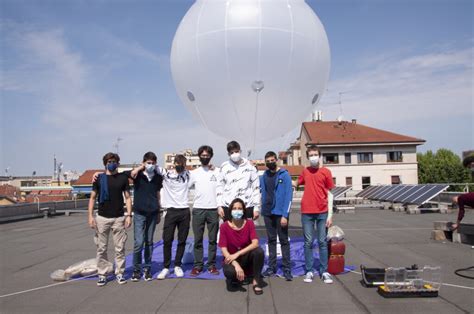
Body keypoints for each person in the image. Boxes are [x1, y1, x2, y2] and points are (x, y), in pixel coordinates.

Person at [87, 152, 132, 286]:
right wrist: (90, 216)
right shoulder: (99, 179)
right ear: (105, 163)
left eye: (114, 161)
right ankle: (102, 273)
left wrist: (128, 215)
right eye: (109, 161)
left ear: (118, 163)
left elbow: (128, 197)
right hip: (102, 218)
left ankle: (120, 273)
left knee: (120, 248)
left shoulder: (123, 178)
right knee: (101, 248)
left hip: (118, 218)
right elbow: (92, 198)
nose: (111, 163)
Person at [294, 145, 335, 284]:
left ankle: (324, 271)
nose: (313, 157)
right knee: (308, 242)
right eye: (310, 155)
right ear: (307, 157)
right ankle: (309, 270)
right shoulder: (305, 172)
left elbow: (330, 194)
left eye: (315, 154)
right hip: (307, 212)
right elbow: (296, 183)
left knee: (322, 242)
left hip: (322, 212)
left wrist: (330, 215)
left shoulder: (326, 172)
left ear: (320, 156)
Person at [127, 152, 163, 282]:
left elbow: (158, 194)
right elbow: (127, 175)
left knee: (149, 241)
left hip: (153, 213)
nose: (151, 165)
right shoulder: (138, 176)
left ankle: (147, 268)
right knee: (138, 242)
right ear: (143, 162)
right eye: (148, 162)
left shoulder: (158, 177)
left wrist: (159, 211)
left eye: (153, 163)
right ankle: (136, 269)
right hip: (139, 213)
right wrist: (138, 168)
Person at [219, 198, 265, 295]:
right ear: (230, 211)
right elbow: (223, 249)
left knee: (259, 252)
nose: (237, 211)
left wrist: (237, 254)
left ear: (243, 211)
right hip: (231, 259)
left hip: (245, 257)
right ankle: (235, 278)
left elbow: (255, 243)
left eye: (239, 208)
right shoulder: (224, 227)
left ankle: (256, 281)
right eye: (234, 208)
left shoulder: (249, 223)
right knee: (229, 272)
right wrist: (236, 265)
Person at [156, 154, 191, 280]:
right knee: (167, 240)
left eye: (183, 164)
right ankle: (166, 267)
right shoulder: (166, 174)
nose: (180, 166)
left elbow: (204, 173)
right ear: (174, 163)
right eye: (178, 163)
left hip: (184, 211)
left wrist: (212, 167)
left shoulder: (188, 175)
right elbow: (151, 165)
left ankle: (177, 265)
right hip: (170, 212)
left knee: (182, 240)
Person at [260, 151, 293, 281]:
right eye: (267, 161)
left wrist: (285, 214)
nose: (270, 163)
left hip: (280, 214)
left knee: (284, 241)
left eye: (272, 160)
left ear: (276, 160)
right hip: (268, 213)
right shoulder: (264, 175)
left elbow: (288, 196)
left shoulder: (285, 175)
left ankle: (286, 269)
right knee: (271, 240)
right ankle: (271, 267)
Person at [188, 145, 220, 276]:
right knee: (198, 239)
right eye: (203, 155)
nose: (205, 157)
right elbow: (184, 186)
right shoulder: (194, 173)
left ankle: (211, 265)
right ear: (199, 157)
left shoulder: (217, 171)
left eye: (207, 156)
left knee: (212, 239)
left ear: (211, 157)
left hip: (213, 209)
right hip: (198, 209)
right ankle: (198, 265)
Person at [217, 141, 260, 221]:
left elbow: (256, 187)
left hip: (247, 206)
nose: (234, 154)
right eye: (232, 152)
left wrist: (256, 208)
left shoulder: (250, 166)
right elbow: (219, 187)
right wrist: (219, 206)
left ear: (240, 151)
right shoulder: (224, 167)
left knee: (246, 232)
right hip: (228, 207)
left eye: (236, 151)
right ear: (228, 154)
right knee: (229, 232)